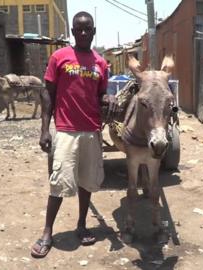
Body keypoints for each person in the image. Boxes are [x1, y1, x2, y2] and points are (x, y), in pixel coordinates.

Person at [30, 11, 118, 258]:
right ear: (72, 31)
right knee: (59, 183)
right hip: (66, 131)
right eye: (78, 29)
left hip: (92, 131)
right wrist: (44, 129)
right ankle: (47, 232)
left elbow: (99, 95)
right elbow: (47, 94)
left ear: (93, 31)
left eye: (86, 28)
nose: (82, 32)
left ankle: (82, 225)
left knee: (87, 181)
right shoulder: (59, 57)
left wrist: (108, 96)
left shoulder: (100, 63)